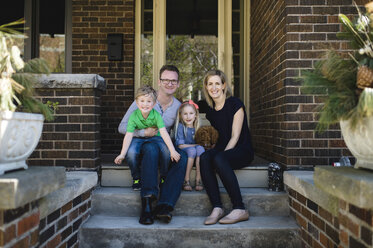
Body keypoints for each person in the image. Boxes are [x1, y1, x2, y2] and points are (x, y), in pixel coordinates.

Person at [118, 65, 187, 225]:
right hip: (142, 145)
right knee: (150, 148)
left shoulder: (178, 106)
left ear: (178, 84)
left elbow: (179, 131)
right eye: (166, 80)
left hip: (162, 145)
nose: (169, 84)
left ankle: (164, 206)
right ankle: (147, 203)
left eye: (173, 81)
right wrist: (143, 133)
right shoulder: (144, 101)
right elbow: (122, 127)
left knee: (182, 156)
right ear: (159, 82)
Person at [200, 69, 254, 225]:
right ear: (206, 87)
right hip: (222, 151)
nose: (214, 87)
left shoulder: (235, 104)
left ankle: (239, 208)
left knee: (217, 157)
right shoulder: (210, 111)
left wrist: (220, 159)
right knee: (204, 157)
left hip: (241, 149)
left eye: (217, 83)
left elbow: (235, 136)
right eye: (210, 84)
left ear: (224, 85)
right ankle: (217, 207)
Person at [114, 85, 180, 181]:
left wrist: (172, 150)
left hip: (155, 137)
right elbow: (128, 135)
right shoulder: (133, 116)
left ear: (154, 104)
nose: (145, 104)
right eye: (142, 101)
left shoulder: (156, 116)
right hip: (138, 138)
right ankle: (136, 177)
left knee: (166, 152)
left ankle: (163, 175)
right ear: (137, 102)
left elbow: (163, 132)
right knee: (131, 153)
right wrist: (122, 154)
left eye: (149, 101)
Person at [175, 100, 205, 191]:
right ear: (181, 115)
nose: (188, 117)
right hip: (185, 150)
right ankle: (186, 180)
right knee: (193, 150)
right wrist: (196, 145)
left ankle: (198, 179)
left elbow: (201, 144)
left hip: (195, 151)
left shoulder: (197, 127)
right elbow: (180, 146)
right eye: (185, 114)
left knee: (200, 149)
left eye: (191, 113)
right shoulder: (180, 127)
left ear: (195, 115)